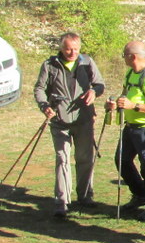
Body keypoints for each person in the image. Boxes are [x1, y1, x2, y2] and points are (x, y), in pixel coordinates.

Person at [33, 32, 105, 218]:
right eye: (68, 49)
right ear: (61, 48)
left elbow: (100, 84)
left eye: (75, 49)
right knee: (62, 159)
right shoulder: (49, 65)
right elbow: (39, 89)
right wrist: (45, 106)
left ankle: (85, 196)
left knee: (85, 159)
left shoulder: (87, 62)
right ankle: (62, 201)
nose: (72, 52)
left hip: (84, 119)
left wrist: (93, 92)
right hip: (59, 120)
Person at [105, 40, 145, 222]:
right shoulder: (131, 73)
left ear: (132, 56)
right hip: (131, 126)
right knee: (122, 160)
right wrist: (115, 103)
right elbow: (125, 96)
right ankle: (140, 195)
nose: (123, 58)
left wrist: (134, 106)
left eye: (124, 55)